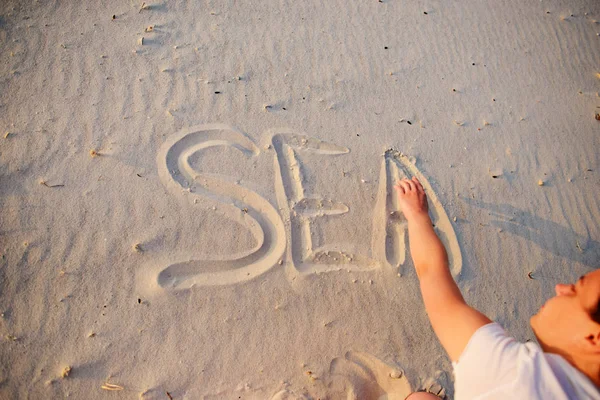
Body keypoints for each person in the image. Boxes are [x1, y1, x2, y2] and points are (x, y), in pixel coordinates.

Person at [394, 177, 600, 400]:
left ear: (594, 338)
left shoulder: (512, 373)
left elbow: (433, 274)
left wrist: (417, 216)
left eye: (576, 289)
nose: (561, 288)